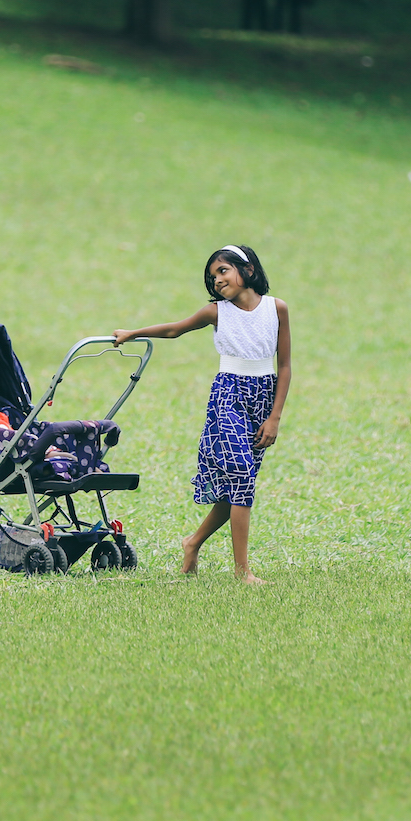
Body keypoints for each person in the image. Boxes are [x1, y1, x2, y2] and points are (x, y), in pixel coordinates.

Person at [113, 244, 292, 584]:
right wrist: (133, 333)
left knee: (238, 487)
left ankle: (192, 542)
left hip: (263, 398)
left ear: (248, 270)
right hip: (228, 394)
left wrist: (275, 417)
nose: (218, 281)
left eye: (223, 271)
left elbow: (284, 366)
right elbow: (174, 329)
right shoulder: (217, 312)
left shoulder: (277, 309)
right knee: (240, 473)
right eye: (213, 277)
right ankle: (243, 572)